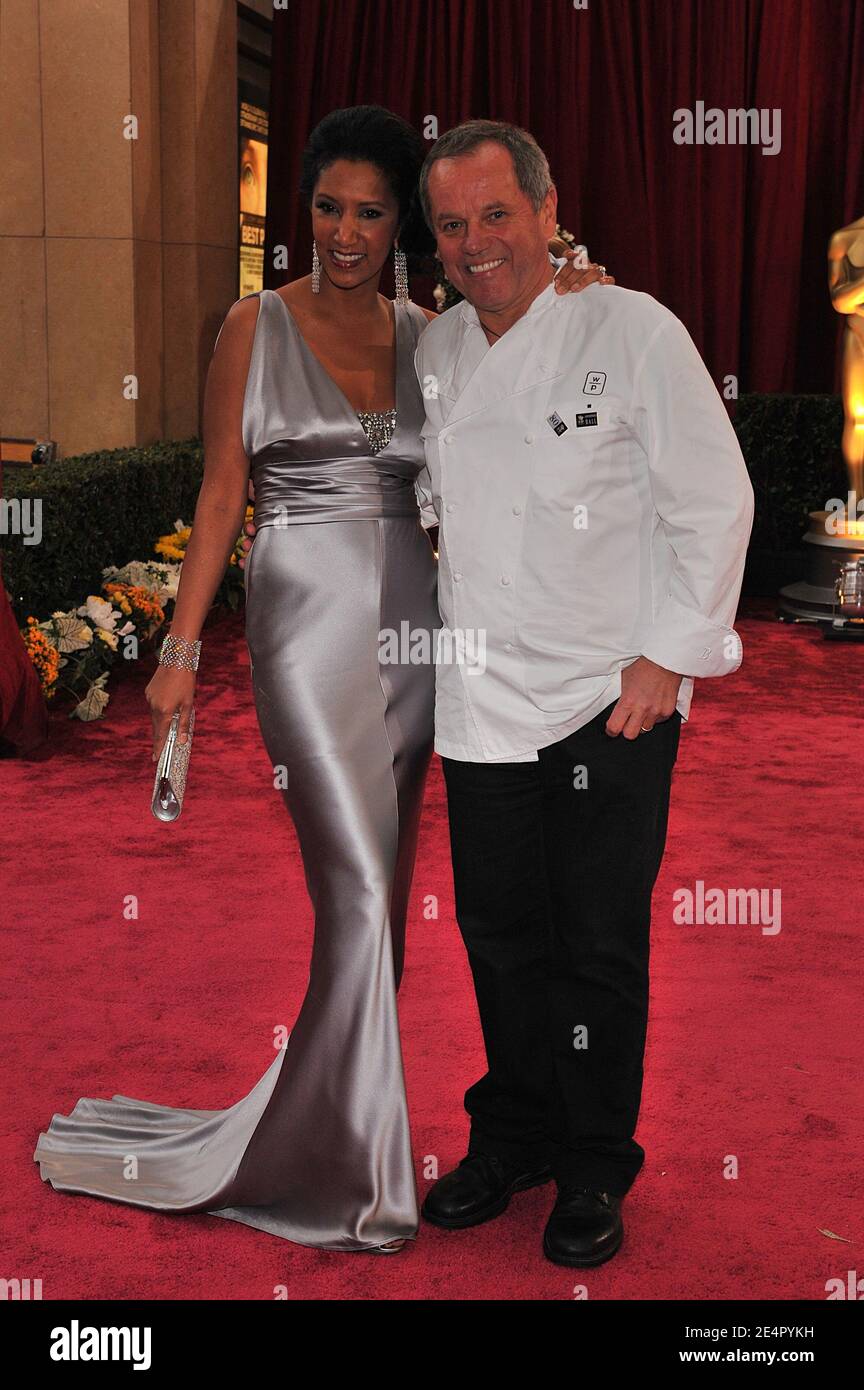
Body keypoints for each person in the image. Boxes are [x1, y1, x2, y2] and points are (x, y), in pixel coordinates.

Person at [32, 106, 609, 1255]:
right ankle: (350, 1168)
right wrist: (183, 653)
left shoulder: (430, 333)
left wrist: (579, 274)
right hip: (302, 637)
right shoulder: (252, 326)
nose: (344, 233)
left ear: (406, 226)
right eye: (328, 209)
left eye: (371, 212)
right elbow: (217, 499)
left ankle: (334, 1132)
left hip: (415, 640)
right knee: (352, 887)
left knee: (382, 909)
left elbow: (520, 380)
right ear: (305, 212)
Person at [412, 120, 755, 1267]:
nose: (476, 243)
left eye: (496, 214)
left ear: (549, 210)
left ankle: (595, 1162)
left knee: (596, 944)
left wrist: (669, 656)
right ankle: (514, 1136)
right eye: (452, 226)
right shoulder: (442, 352)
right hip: (479, 702)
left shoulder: (633, 327)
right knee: (499, 932)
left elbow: (715, 499)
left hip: (607, 702)